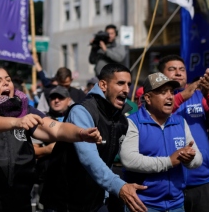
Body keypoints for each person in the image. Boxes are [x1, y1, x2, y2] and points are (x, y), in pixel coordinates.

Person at [0, 65, 103, 212]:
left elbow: (56, 128)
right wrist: (16, 122)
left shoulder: (24, 110)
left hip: (19, 202)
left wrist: (81, 133)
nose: (6, 83)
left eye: (8, 79)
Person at [41, 63, 147, 212]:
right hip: (64, 203)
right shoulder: (83, 112)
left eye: (128, 84)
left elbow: (108, 159)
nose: (126, 90)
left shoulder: (121, 120)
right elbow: (89, 159)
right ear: (103, 85)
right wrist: (119, 186)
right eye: (120, 83)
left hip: (95, 202)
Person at [158, 55, 209, 212]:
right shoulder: (153, 97)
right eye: (172, 69)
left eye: (182, 69)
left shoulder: (199, 96)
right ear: (161, 75)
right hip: (167, 182)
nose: (178, 73)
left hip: (201, 180)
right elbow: (155, 117)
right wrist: (181, 97)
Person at [120, 72, 202, 212]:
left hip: (176, 205)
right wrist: (169, 161)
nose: (170, 96)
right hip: (142, 205)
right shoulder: (133, 122)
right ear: (148, 98)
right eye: (163, 92)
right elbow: (129, 160)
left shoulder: (180, 122)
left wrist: (189, 158)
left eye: (171, 92)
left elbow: (198, 160)